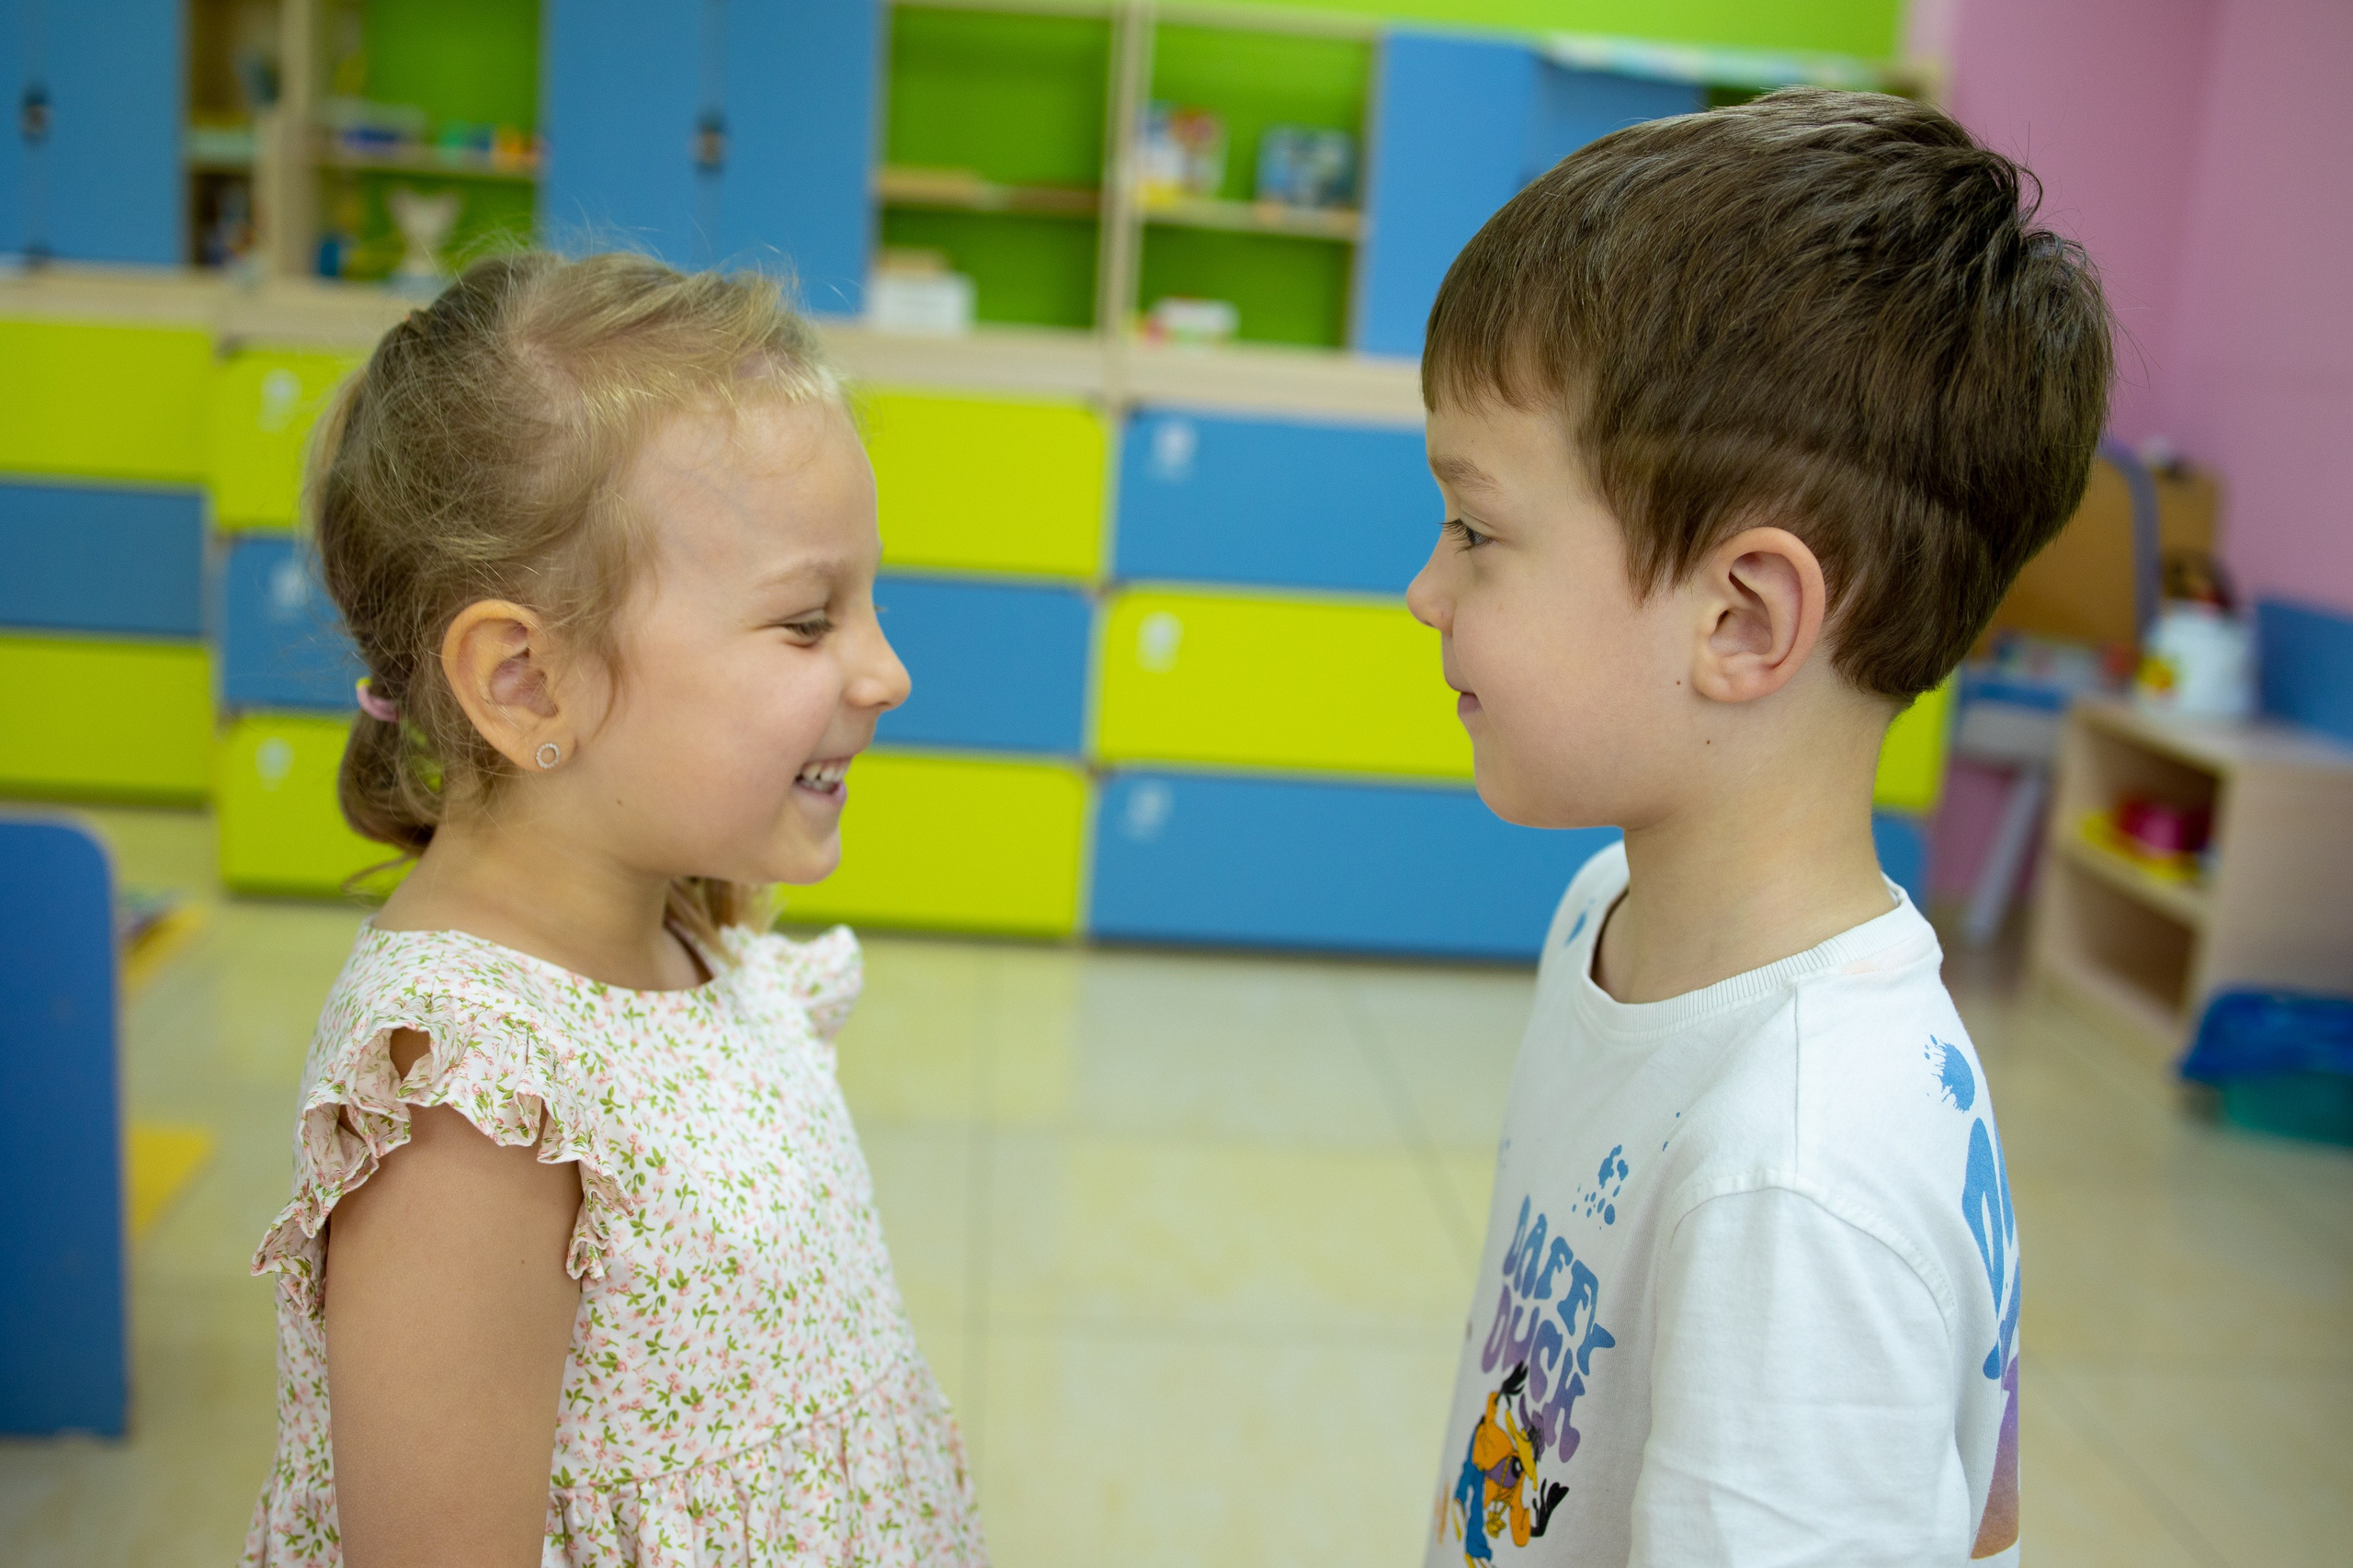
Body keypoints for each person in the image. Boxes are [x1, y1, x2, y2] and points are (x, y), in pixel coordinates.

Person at [1409, 88, 2109, 1566]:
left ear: (1743, 615)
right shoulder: (1609, 914)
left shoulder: (1798, 1169)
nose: (1427, 589)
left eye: (1474, 528)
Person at [243, 252, 983, 1566]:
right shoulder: (468, 1102)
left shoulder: (680, 926)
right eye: (810, 621)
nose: (891, 670)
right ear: (528, 681)